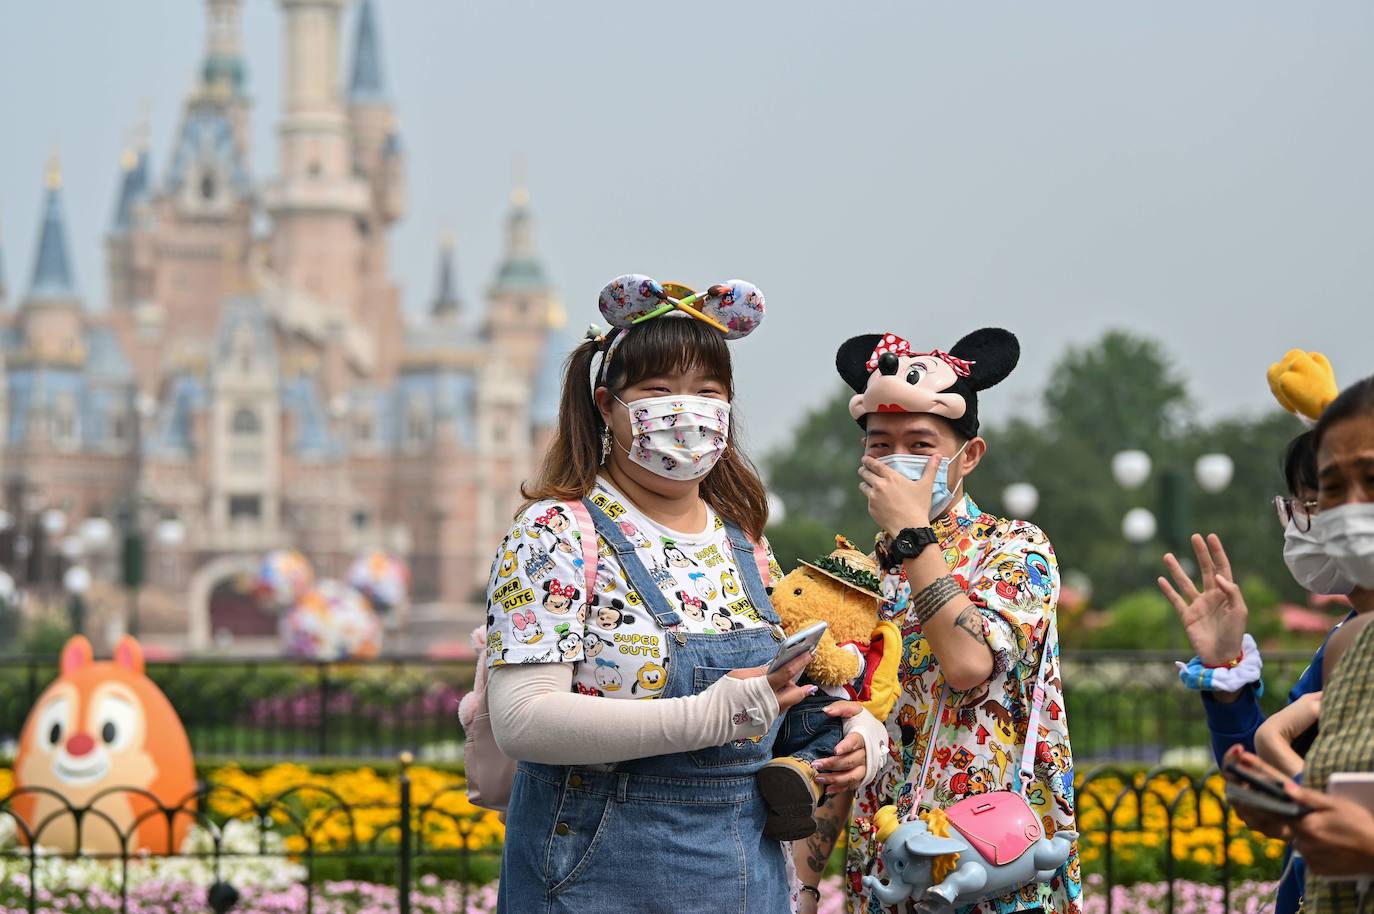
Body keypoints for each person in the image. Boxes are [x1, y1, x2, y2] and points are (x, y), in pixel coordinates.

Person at [483, 275, 885, 914]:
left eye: (707, 391)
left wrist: (854, 731)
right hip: (591, 878)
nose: (685, 410)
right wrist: (714, 715)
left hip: (742, 880)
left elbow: (786, 700)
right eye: (657, 390)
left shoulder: (744, 545)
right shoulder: (556, 531)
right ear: (606, 404)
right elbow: (524, 720)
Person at [797, 329, 1080, 914]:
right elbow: (834, 732)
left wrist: (913, 538)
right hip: (887, 876)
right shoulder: (857, 575)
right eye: (880, 445)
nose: (897, 460)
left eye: (921, 444)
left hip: (996, 873)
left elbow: (969, 665)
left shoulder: (1015, 548)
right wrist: (802, 884)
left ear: (967, 456)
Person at [1157, 348, 1345, 914]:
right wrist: (1225, 675)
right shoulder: (1345, 635)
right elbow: (1266, 801)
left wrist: (1277, 751)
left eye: (1323, 501)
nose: (1305, 521)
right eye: (1303, 502)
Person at [1223, 374, 1374, 914]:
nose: (1350, 509)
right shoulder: (1349, 643)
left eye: (1372, 478)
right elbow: (1340, 805)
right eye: (1331, 490)